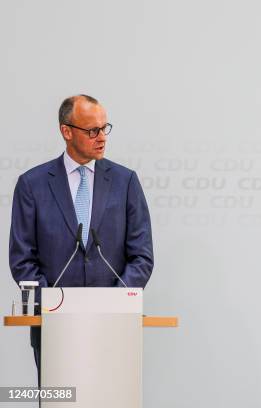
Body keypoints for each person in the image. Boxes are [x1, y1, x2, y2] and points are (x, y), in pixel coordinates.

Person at [9, 94, 154, 384]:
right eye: (92, 131)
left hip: (113, 324)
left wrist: (115, 302)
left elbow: (142, 255)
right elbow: (22, 258)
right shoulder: (32, 184)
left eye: (105, 128)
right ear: (66, 131)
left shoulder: (125, 182)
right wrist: (52, 304)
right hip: (54, 327)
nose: (102, 137)